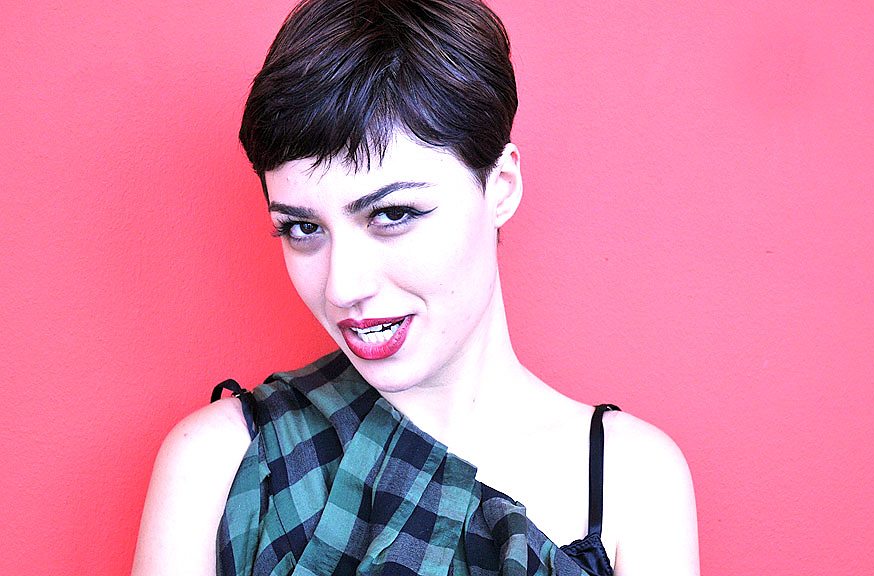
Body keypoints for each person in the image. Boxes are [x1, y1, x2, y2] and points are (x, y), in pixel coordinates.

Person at [131, 0, 698, 574]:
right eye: (303, 229)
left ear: (500, 186)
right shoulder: (221, 463)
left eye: (393, 214)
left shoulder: (633, 480)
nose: (343, 287)